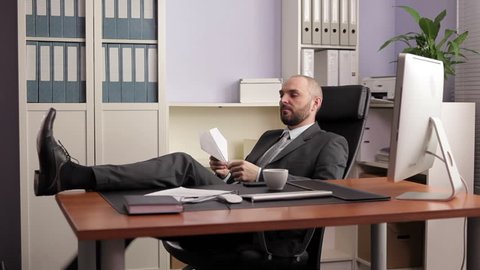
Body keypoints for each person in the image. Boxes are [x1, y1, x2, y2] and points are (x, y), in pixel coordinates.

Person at [35, 75, 348, 268]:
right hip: (238, 209)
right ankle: (67, 179)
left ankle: (73, 175)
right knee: (136, 201)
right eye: (281, 93)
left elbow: (328, 194)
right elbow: (243, 182)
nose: (283, 99)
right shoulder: (269, 137)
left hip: (268, 234)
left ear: (316, 102)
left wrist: (262, 175)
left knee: (182, 163)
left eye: (293, 94)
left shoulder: (330, 141)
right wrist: (226, 172)